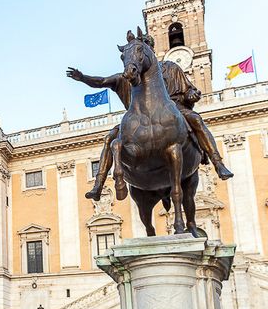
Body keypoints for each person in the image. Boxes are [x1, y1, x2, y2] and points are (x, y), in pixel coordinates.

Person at [67, 33, 232, 202]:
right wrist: (83, 78)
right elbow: (101, 81)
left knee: (196, 120)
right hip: (137, 120)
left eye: (144, 46)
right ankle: (99, 184)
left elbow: (188, 88)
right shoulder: (128, 76)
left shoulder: (171, 68)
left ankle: (217, 162)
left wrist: (191, 94)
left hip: (175, 109)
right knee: (110, 138)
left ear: (149, 50)